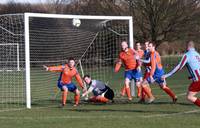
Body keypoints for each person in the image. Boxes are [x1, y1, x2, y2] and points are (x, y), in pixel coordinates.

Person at [162, 41, 200, 107]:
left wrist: (168, 75)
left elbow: (179, 67)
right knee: (189, 95)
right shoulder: (197, 54)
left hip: (198, 80)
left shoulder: (187, 55)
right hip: (197, 78)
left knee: (190, 97)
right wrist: (192, 76)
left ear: (188, 47)